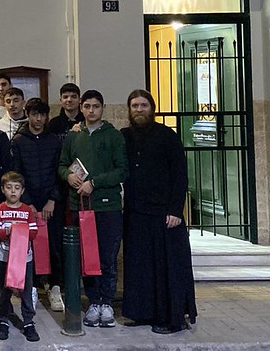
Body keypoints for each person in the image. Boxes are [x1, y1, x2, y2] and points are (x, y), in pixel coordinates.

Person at [121, 89, 196, 334]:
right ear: (129, 109)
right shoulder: (124, 137)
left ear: (152, 109)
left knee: (168, 269)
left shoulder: (167, 136)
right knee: (141, 267)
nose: (139, 110)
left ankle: (171, 318)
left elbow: (180, 175)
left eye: (143, 105)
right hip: (136, 213)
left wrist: (175, 210)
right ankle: (143, 313)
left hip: (165, 214)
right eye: (135, 106)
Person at [58, 89, 128, 329]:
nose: (91, 111)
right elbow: (62, 164)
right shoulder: (73, 136)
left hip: (107, 206)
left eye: (95, 106)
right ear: (81, 108)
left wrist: (94, 183)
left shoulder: (114, 136)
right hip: (80, 207)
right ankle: (93, 301)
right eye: (87, 106)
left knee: (107, 256)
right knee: (88, 257)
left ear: (103, 108)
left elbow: (122, 171)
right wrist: (68, 176)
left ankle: (107, 302)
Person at [11, 97, 65, 312]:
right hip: (28, 204)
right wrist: (28, 203)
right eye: (35, 114)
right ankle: (30, 288)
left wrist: (53, 199)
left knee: (55, 247)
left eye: (42, 115)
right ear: (28, 114)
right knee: (28, 248)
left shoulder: (54, 140)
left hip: (51, 204)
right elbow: (16, 173)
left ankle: (55, 288)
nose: (39, 119)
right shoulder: (18, 141)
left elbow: (59, 171)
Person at [0, 171, 40, 342]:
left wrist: (20, 231)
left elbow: (34, 232)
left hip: (25, 259)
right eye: (9, 187)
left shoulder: (27, 211)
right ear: (2, 189)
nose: (13, 191)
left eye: (17, 188)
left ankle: (28, 321)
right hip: (4, 258)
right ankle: (3, 318)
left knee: (26, 290)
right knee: (4, 289)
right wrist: (8, 231)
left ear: (22, 191)